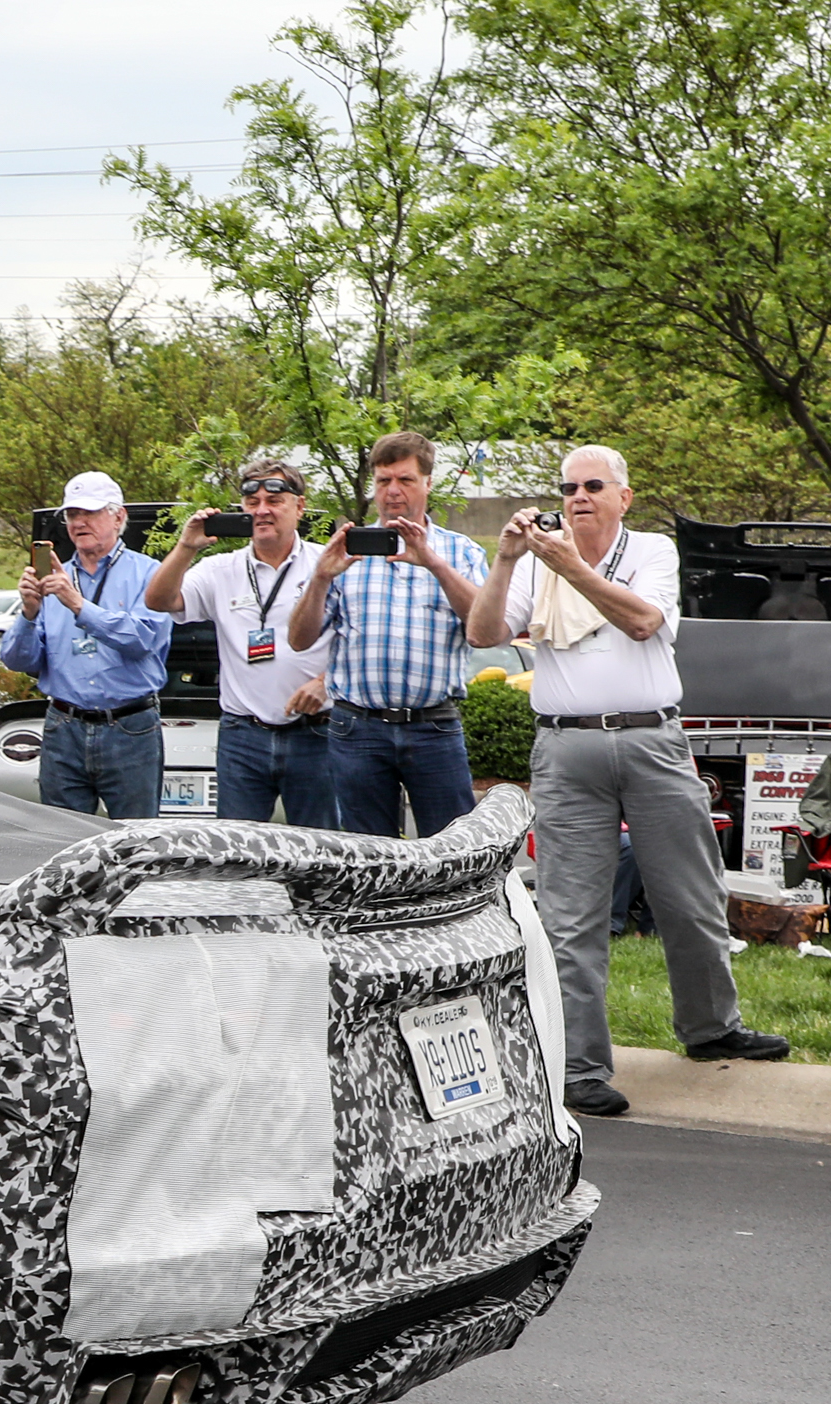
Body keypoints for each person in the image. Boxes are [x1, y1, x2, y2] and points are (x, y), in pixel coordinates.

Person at [466, 444, 789, 1115]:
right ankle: (578, 1066)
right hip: (567, 748)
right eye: (567, 487)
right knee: (570, 916)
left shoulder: (652, 551)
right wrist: (504, 560)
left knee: (691, 897)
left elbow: (644, 621)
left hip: (652, 739)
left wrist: (569, 566)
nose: (577, 497)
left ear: (623, 496)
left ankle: (710, 1027)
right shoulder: (537, 557)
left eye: (592, 486)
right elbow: (483, 631)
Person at [286, 429, 488, 837]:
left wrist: (434, 564)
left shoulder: (462, 552)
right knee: (368, 860)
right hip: (357, 728)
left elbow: (484, 628)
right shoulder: (346, 552)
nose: (393, 491)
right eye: (383, 481)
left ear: (428, 483)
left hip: (433, 727)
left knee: (452, 851)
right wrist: (322, 577)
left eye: (405, 480)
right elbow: (299, 640)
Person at [144, 459, 335, 827]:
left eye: (274, 501)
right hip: (244, 736)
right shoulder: (220, 569)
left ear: (300, 506)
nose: (262, 510)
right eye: (252, 502)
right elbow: (158, 600)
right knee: (239, 855)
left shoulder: (325, 563)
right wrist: (186, 547)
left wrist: (325, 682)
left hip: (315, 733)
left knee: (320, 854)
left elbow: (355, 639)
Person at [0, 471, 174, 817]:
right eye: (72, 514)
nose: (79, 522)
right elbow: (18, 660)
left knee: (134, 843)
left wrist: (78, 605)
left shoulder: (150, 573)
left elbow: (143, 639)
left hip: (129, 727)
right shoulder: (53, 577)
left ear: (119, 516)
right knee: (63, 839)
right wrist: (30, 613)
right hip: (64, 726)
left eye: (90, 513)